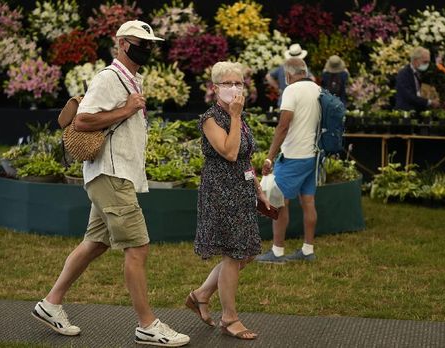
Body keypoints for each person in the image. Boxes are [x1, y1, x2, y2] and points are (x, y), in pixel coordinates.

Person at [31, 20, 190, 347]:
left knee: (96, 243)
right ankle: (147, 326)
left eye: (149, 43)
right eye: (138, 42)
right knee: (138, 247)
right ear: (121, 44)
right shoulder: (109, 78)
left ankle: (50, 304)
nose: (146, 48)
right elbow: (83, 120)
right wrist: (126, 109)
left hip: (114, 175)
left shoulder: (132, 78)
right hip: (111, 175)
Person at [186, 61, 270, 340]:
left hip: (242, 191)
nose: (234, 89)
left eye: (239, 83)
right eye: (228, 84)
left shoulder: (239, 116)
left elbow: (244, 158)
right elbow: (230, 152)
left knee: (246, 252)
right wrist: (235, 116)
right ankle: (230, 318)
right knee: (234, 254)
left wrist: (256, 186)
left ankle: (201, 294)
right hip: (221, 195)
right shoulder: (211, 118)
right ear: (215, 88)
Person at [255, 57, 320, 264]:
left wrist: (269, 156)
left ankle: (277, 252)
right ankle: (308, 250)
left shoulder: (291, 90)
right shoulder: (317, 89)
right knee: (308, 202)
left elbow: (283, 126)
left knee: (278, 203)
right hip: (312, 154)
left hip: (293, 156)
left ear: (288, 74)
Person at [266, 43, 313, 108]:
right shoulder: (302, 68)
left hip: (284, 101)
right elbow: (312, 79)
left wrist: (278, 88)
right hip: (300, 102)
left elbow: (268, 76)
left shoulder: (282, 67)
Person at [394, 47, 440, 112]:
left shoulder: (422, 73)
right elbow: (409, 96)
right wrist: (430, 102)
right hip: (405, 114)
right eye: (425, 62)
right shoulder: (403, 74)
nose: (427, 65)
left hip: (418, 112)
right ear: (415, 61)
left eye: (428, 62)